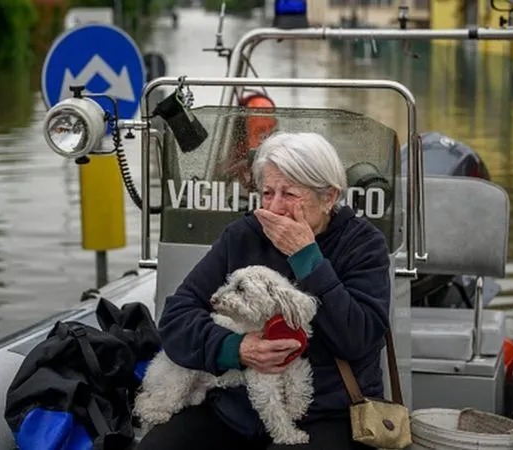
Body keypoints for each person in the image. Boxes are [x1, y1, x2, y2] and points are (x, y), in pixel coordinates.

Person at [137, 131, 393, 450]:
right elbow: (177, 316)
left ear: (328, 197)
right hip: (235, 404)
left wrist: (306, 257)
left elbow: (358, 339)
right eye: (267, 193)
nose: (274, 207)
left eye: (289, 194)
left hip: (327, 412)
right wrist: (234, 348)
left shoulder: (363, 245)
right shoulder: (244, 235)